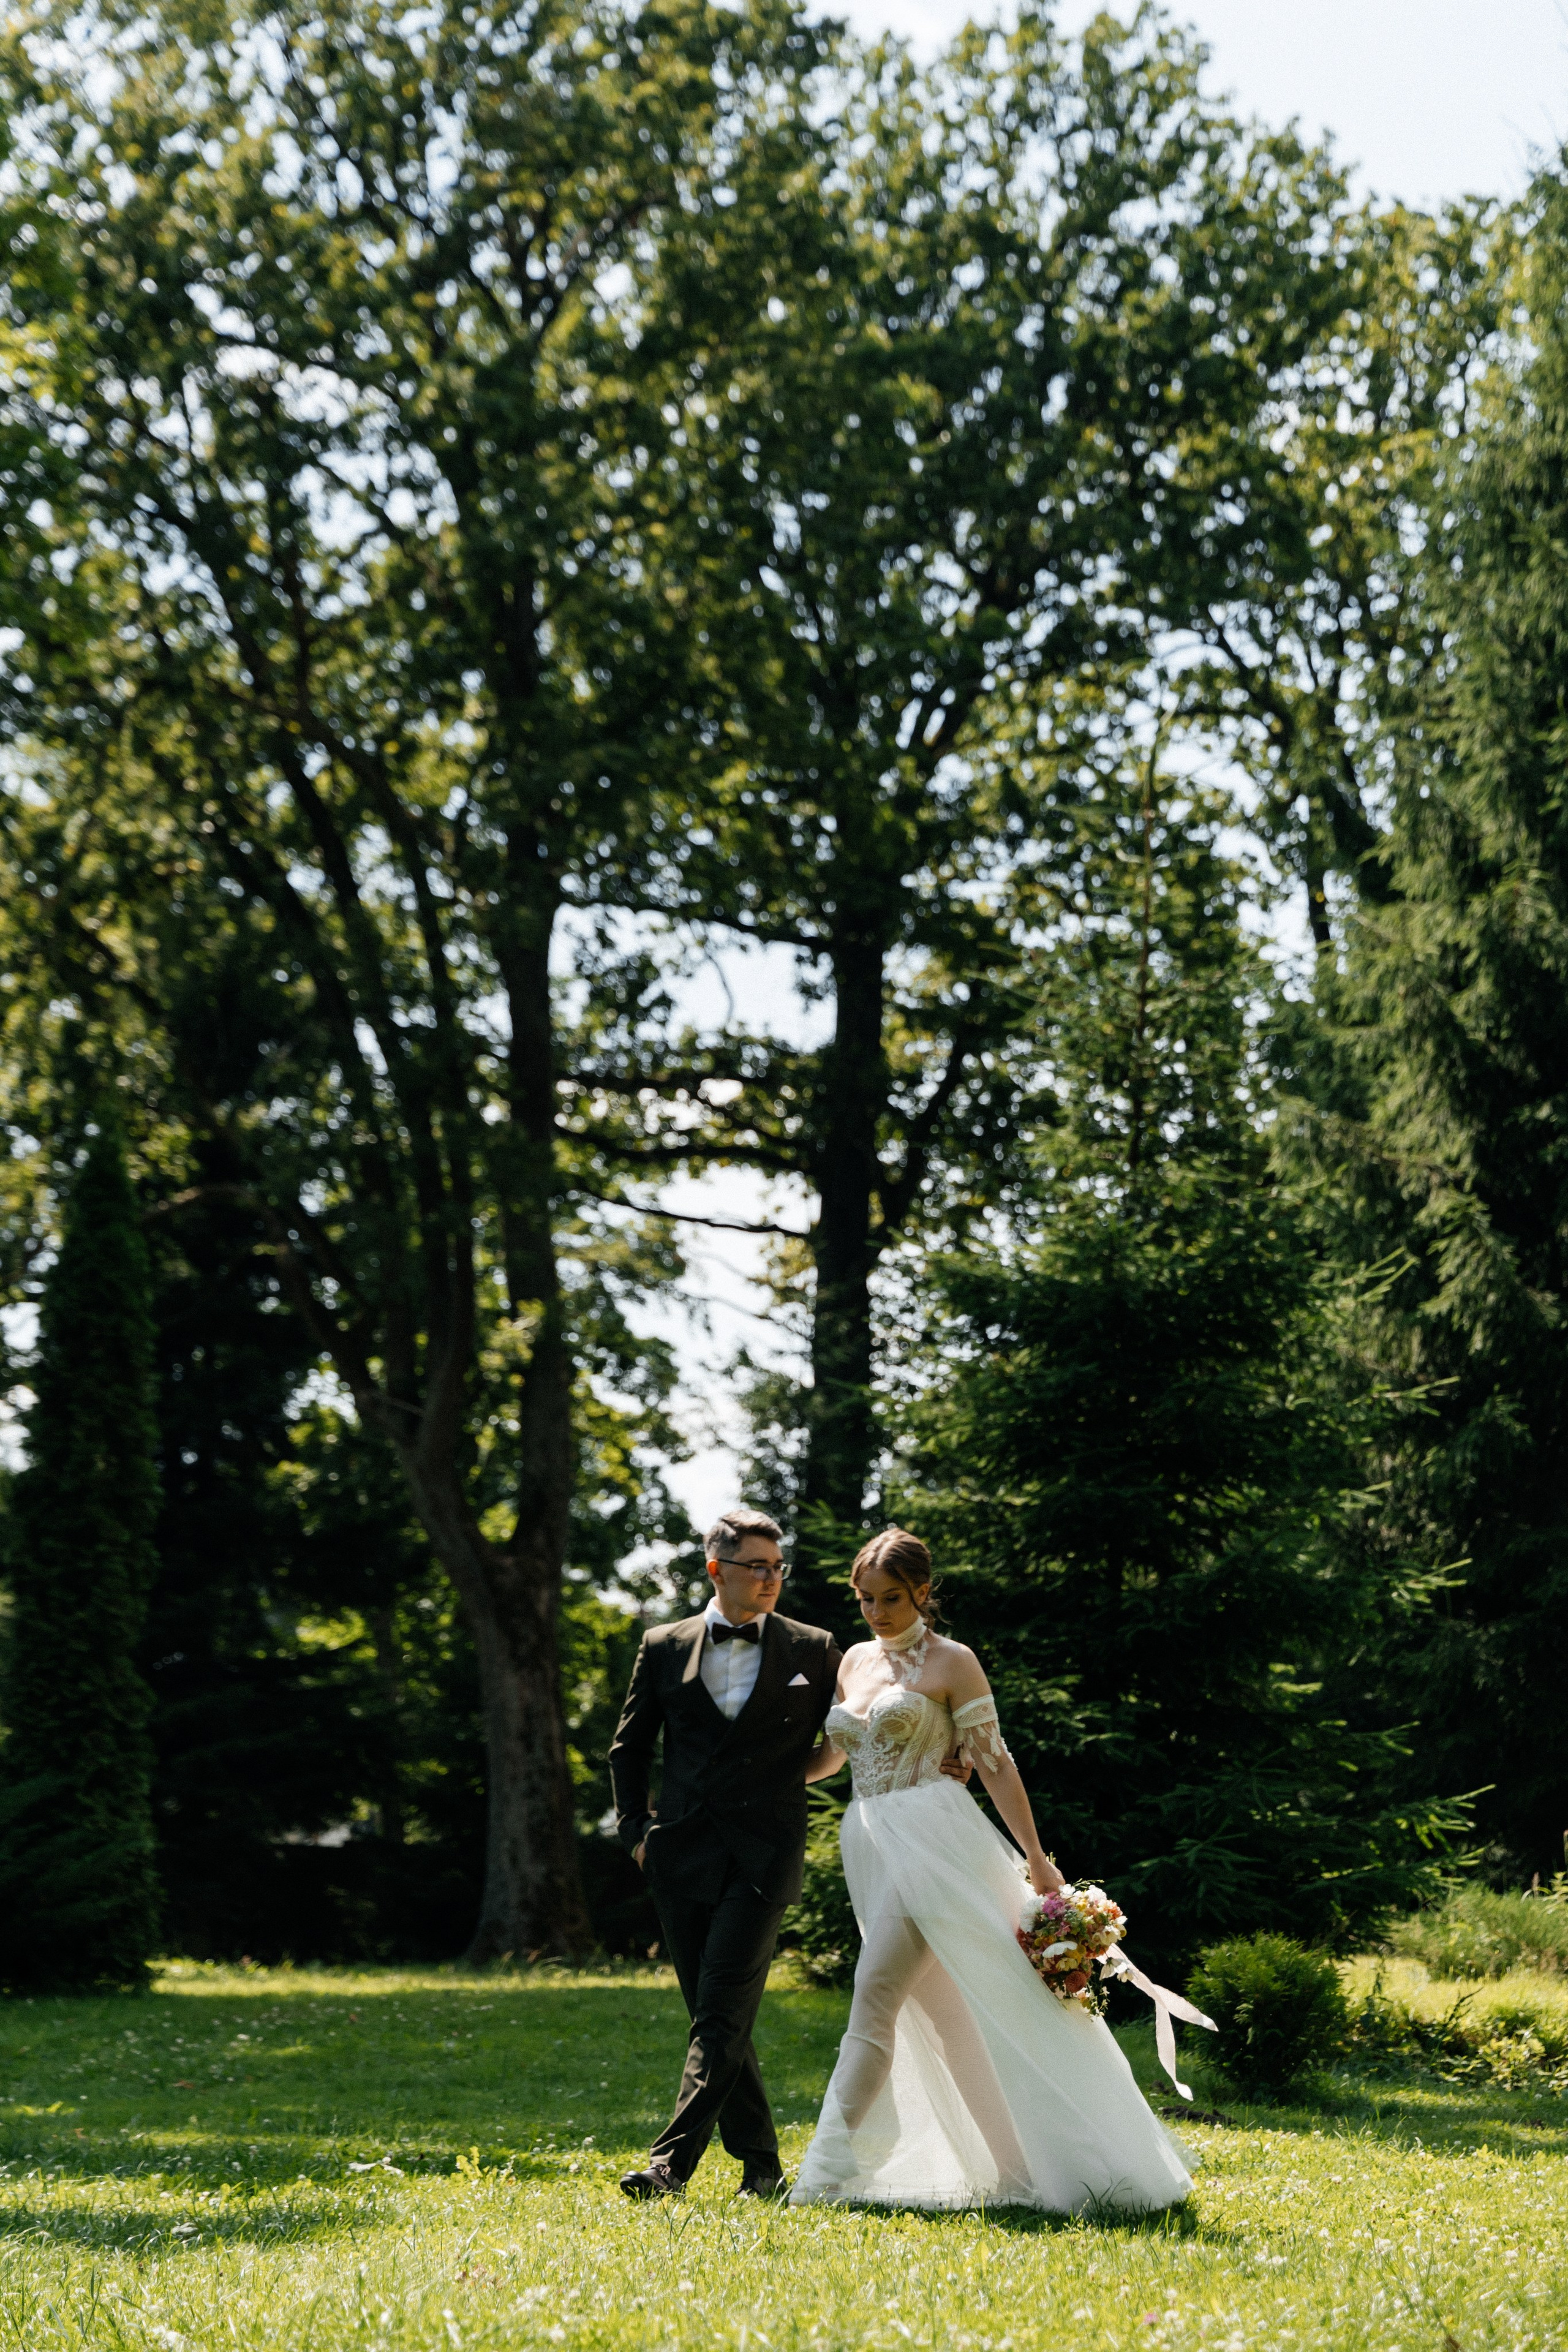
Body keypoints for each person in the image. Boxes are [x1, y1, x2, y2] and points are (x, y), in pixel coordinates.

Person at [790, 1526, 1194, 2214]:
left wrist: (1038, 1861)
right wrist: (760, 1772)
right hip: (872, 1843)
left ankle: (819, 2178)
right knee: (948, 2022)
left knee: (873, 2001)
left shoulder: (954, 1662)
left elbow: (994, 1761)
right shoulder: (854, 1661)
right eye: (864, 1599)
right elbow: (833, 1758)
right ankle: (1015, 2175)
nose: (876, 1612)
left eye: (891, 1598)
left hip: (936, 1843)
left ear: (923, 1592)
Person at [607, 1507, 843, 2200]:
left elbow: (855, 1724)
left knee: (718, 2013)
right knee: (717, 2015)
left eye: (778, 1567)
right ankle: (763, 2167)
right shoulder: (662, 1644)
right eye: (756, 1567)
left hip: (764, 1855)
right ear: (716, 1569)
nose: (771, 1579)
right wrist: (636, 1835)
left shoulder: (812, 1646)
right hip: (678, 1856)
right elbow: (627, 1748)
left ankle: (667, 2166)